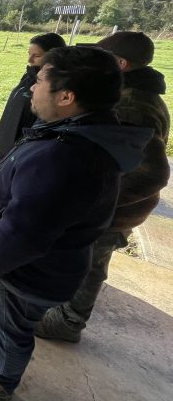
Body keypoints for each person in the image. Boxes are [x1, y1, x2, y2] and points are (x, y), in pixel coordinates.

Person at [0, 46, 151, 400]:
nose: (31, 89)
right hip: (21, 265)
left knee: (10, 327)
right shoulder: (76, 133)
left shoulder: (64, 158)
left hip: (21, 272)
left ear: (67, 96)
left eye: (40, 82)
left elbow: (25, 233)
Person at [35, 32, 170, 343]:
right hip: (108, 204)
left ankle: (69, 321)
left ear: (120, 64)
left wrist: (96, 199)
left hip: (111, 209)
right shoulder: (131, 95)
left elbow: (153, 173)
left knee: (91, 261)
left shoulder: (133, 105)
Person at [0, 33, 65, 162]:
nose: (30, 60)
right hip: (6, 149)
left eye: (36, 56)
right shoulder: (28, 77)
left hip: (22, 154)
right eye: (29, 54)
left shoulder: (55, 87)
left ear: (54, 58)